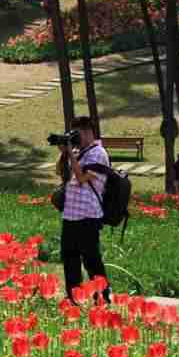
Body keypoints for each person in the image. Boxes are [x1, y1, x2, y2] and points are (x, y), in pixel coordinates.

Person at [56, 116, 112, 306]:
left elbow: (81, 177)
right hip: (71, 214)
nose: (76, 137)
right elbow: (59, 172)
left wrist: (71, 153)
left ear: (88, 131)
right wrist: (65, 152)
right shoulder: (80, 152)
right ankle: (74, 297)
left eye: (77, 133)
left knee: (91, 259)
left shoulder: (99, 153)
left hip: (88, 215)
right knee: (69, 257)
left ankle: (103, 296)